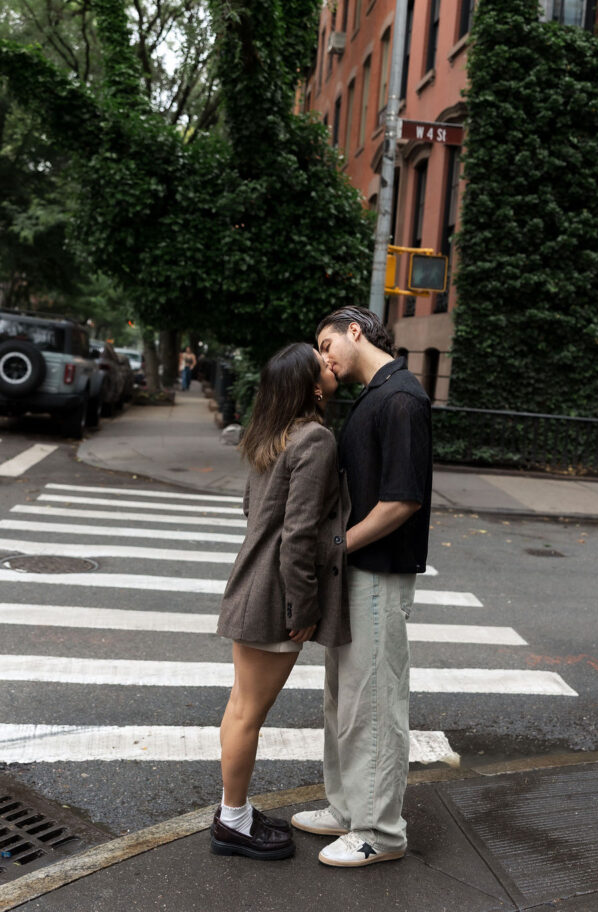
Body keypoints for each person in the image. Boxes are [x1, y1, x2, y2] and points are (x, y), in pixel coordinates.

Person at [292, 306, 432, 867]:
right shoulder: (377, 395)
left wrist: (338, 545)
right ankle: (348, 810)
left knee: (372, 704)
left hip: (379, 570)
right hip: (358, 570)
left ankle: (379, 832)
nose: (323, 359)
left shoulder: (401, 398)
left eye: (326, 345)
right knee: (344, 701)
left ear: (355, 331)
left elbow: (402, 500)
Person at [211, 342, 350, 861]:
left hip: (252, 582)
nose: (330, 363)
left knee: (240, 707)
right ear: (312, 387)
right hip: (273, 595)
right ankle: (232, 822)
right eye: (321, 362)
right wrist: (303, 608)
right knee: (248, 713)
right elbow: (299, 534)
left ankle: (236, 812)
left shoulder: (270, 434)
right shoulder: (315, 438)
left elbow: (252, 509)